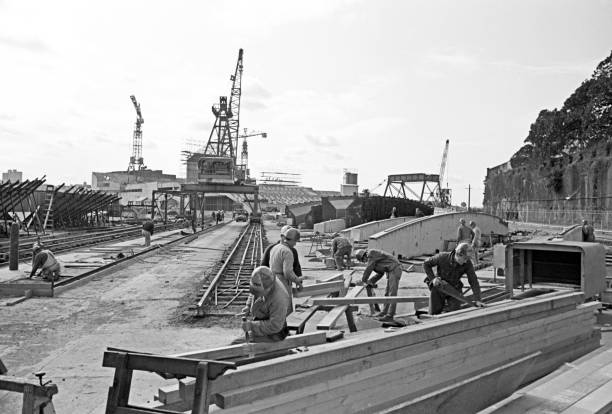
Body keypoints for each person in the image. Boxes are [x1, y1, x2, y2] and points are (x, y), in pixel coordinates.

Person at [423, 242, 485, 315]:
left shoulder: (467, 263)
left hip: (454, 289)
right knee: (433, 314)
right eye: (465, 258)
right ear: (458, 254)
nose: (466, 261)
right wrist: (433, 279)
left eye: (467, 259)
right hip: (439, 287)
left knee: (456, 314)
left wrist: (478, 299)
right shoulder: (442, 257)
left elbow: (473, 281)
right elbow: (426, 264)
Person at [240, 266, 290, 343]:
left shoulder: (279, 299)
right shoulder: (263, 277)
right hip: (263, 321)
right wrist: (248, 306)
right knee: (239, 343)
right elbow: (253, 293)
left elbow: (275, 325)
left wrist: (251, 326)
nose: (257, 295)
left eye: (259, 293)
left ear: (268, 289)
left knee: (239, 345)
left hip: (275, 331)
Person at [355, 248, 402, 322]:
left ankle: (390, 315)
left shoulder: (371, 253)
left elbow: (368, 269)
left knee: (392, 293)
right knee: (387, 293)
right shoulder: (375, 261)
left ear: (363, 256)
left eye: (363, 260)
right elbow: (380, 273)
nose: (365, 262)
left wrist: (363, 281)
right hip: (390, 271)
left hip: (394, 269)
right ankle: (384, 312)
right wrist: (370, 281)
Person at [269, 228, 304, 314]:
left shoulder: (275, 248)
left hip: (272, 281)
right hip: (282, 283)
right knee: (285, 311)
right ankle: (284, 327)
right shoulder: (287, 251)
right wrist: (298, 282)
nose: (295, 244)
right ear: (291, 240)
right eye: (295, 241)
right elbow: (288, 273)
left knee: (275, 309)